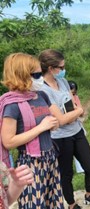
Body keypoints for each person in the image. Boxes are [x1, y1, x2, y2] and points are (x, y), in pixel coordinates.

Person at [39, 49, 90, 209]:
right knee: (66, 174)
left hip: (77, 131)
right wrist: (79, 111)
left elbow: (72, 105)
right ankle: (72, 204)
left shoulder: (63, 81)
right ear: (50, 68)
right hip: (60, 138)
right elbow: (60, 120)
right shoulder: (43, 89)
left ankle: (89, 195)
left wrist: (73, 112)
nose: (63, 70)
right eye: (61, 67)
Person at [0, 52, 64, 208]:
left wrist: (52, 124)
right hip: (31, 163)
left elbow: (52, 121)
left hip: (50, 157)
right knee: (34, 204)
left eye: (40, 73)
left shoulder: (40, 95)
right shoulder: (12, 105)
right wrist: (41, 127)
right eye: (35, 75)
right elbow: (8, 141)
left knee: (53, 201)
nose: (40, 78)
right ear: (21, 76)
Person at [68, 80, 85, 174]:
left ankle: (80, 169)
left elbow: (81, 112)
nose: (73, 95)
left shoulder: (76, 98)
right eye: (71, 92)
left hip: (76, 125)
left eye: (74, 93)